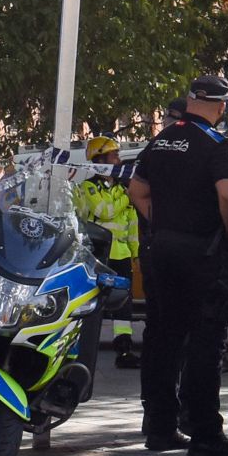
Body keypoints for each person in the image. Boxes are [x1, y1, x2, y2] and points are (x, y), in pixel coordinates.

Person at [127, 77, 228, 456]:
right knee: (205, 342)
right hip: (205, 255)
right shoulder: (216, 145)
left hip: (162, 251)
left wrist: (163, 223)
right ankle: (204, 434)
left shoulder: (161, 139)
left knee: (162, 339)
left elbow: (136, 190)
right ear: (221, 106)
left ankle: (160, 427)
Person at [75, 135, 143, 368]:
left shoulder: (120, 188)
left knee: (124, 305)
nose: (118, 160)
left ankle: (123, 350)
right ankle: (81, 351)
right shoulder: (88, 187)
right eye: (114, 156)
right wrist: (127, 195)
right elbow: (105, 210)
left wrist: (136, 254)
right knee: (92, 304)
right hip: (98, 255)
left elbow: (131, 223)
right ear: (100, 159)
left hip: (121, 254)